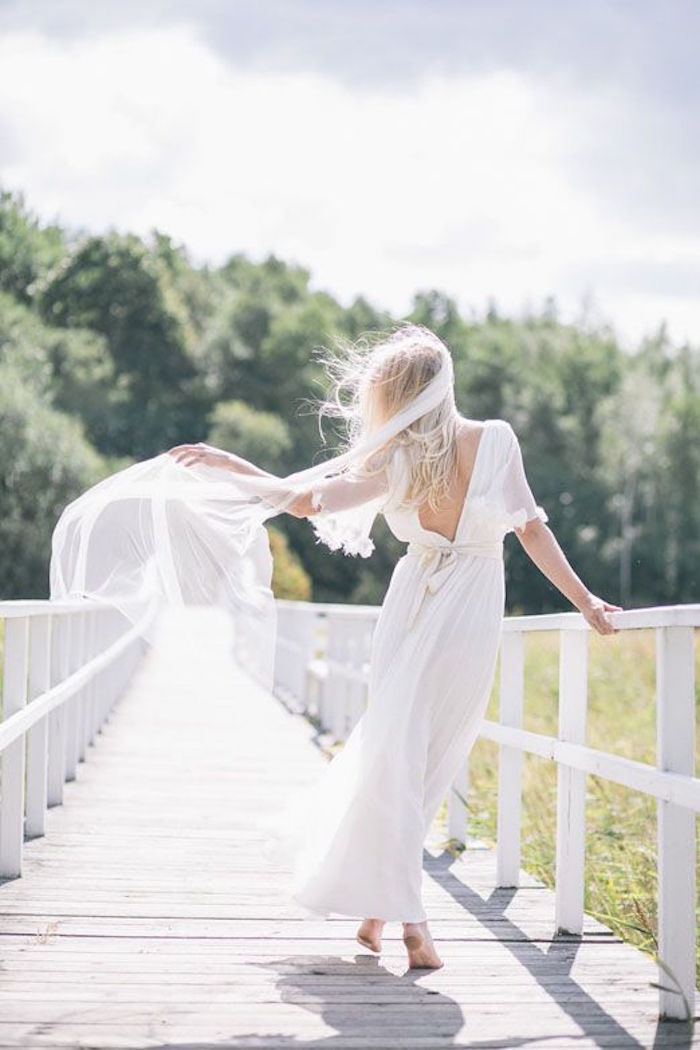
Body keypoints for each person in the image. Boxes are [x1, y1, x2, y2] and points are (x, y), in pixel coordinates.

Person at [167, 323, 622, 970]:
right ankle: (410, 918)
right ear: (444, 385)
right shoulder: (492, 440)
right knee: (426, 758)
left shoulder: (396, 461)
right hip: (470, 606)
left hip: (411, 603)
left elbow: (304, 502)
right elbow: (532, 530)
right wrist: (585, 601)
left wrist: (232, 465)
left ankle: (383, 909)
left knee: (396, 752)